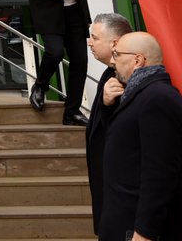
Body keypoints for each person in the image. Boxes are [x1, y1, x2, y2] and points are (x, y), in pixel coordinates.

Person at [99, 31, 182, 240]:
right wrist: (107, 107)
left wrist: (145, 231)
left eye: (117, 54)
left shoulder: (158, 97)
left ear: (138, 60)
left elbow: (160, 172)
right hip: (123, 220)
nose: (112, 60)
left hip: (136, 228)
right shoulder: (137, 94)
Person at [85, 12, 133, 235]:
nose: (89, 42)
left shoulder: (130, 77)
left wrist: (108, 104)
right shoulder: (109, 74)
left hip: (124, 195)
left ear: (114, 43)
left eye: (94, 37)